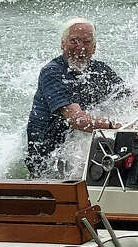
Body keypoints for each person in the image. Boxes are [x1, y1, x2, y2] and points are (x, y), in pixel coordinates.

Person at [25, 18, 129, 177]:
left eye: (87, 42)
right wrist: (114, 125)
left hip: (75, 150)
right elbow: (76, 120)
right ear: (62, 44)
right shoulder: (52, 72)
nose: (80, 47)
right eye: (74, 41)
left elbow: (130, 99)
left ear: (94, 47)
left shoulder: (100, 70)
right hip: (47, 159)